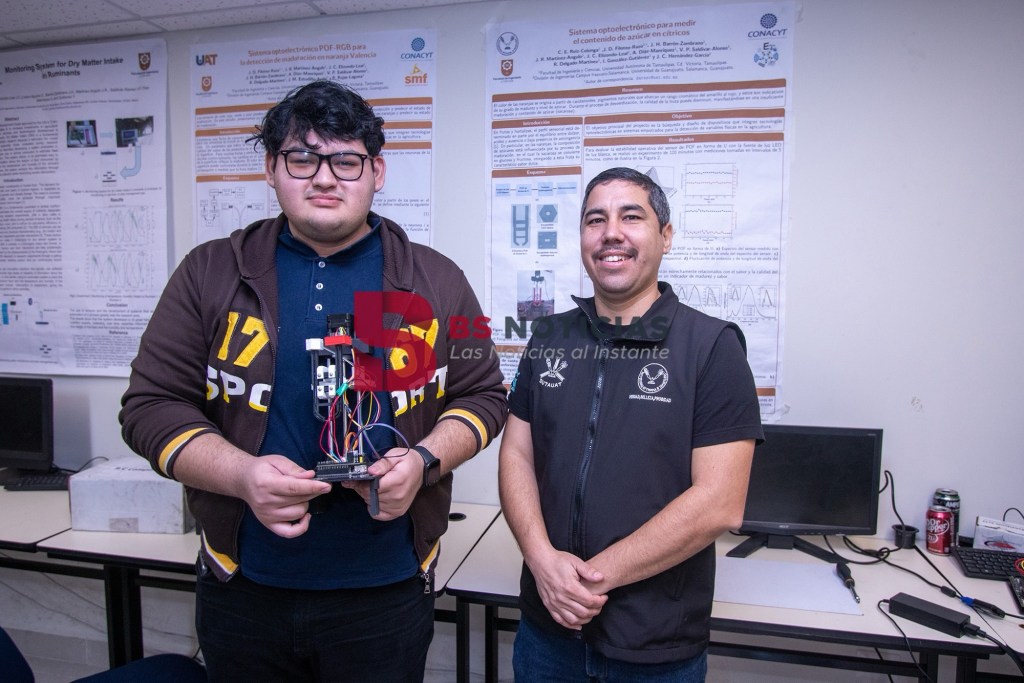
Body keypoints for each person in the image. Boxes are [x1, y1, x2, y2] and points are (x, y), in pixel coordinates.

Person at [120, 80, 507, 682]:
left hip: (385, 590)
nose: (324, 179)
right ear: (271, 170)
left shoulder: (438, 279)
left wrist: (423, 462)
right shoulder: (209, 272)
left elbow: (485, 395)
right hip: (243, 585)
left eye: (346, 160)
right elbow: (149, 407)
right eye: (302, 158)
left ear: (377, 172)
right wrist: (242, 475)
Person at [498, 167, 763, 681]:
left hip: (654, 644)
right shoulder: (549, 338)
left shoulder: (711, 347)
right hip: (546, 633)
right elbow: (517, 454)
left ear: (665, 236)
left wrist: (591, 580)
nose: (611, 233)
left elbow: (720, 502)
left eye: (631, 217)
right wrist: (541, 560)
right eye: (595, 220)